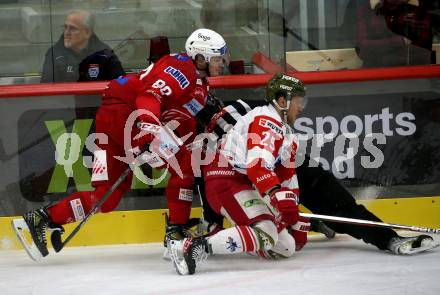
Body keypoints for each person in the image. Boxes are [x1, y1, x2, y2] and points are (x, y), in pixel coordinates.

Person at [168, 73, 439, 275]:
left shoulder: (272, 122)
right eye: (299, 101)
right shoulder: (257, 121)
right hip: (234, 177)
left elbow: (286, 174)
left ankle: (379, 235)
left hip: (257, 177)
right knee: (267, 231)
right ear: (283, 100)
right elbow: (254, 166)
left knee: (289, 243)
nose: (303, 106)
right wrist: (276, 199)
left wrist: (291, 212)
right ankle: (198, 246)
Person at [17, 28, 230, 259]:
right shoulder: (181, 70)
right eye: (217, 58)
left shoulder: (198, 83)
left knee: (106, 195)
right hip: (127, 118)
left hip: (111, 119)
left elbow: (180, 119)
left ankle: (43, 218)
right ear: (200, 57)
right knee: (184, 166)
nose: (222, 63)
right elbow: (149, 96)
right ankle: (176, 233)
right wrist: (149, 128)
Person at [40, 10, 125, 83]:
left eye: (72, 28)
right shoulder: (55, 54)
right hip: (64, 101)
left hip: (97, 100)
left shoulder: (104, 54)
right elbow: (45, 87)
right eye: (65, 27)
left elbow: (122, 82)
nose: (66, 33)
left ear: (87, 32)